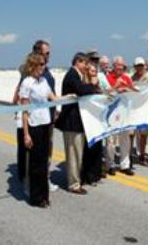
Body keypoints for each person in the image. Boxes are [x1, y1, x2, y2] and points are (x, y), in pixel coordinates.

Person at [12, 40, 58, 192]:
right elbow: (19, 93)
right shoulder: (29, 73)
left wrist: (57, 108)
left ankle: (44, 179)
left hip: (47, 117)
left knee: (46, 152)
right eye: (47, 53)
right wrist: (18, 111)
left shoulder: (45, 73)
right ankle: (28, 182)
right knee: (31, 154)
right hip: (32, 119)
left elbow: (51, 94)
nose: (49, 55)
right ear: (38, 53)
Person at [19, 53, 62, 208]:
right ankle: (36, 198)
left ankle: (44, 195)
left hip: (45, 124)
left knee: (44, 163)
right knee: (36, 164)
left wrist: (71, 97)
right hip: (34, 126)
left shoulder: (43, 81)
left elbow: (53, 97)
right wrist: (26, 134)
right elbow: (24, 111)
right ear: (34, 65)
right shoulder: (27, 83)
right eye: (42, 64)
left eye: (44, 64)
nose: (44, 67)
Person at [55, 53, 97, 194]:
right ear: (78, 62)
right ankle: (73, 184)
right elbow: (82, 90)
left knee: (78, 153)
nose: (86, 66)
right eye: (85, 63)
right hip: (71, 122)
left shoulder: (77, 75)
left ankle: (76, 179)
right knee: (74, 153)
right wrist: (92, 84)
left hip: (77, 121)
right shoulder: (72, 75)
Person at [106, 56, 138, 176]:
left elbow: (135, 92)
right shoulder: (108, 77)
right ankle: (110, 164)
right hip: (111, 114)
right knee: (111, 141)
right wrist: (116, 87)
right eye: (118, 65)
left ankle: (125, 165)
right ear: (114, 65)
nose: (120, 67)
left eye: (122, 65)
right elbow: (105, 94)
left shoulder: (126, 77)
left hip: (124, 114)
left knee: (125, 140)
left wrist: (128, 87)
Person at [81, 62, 104, 186]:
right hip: (88, 120)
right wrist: (92, 84)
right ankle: (88, 176)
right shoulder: (86, 84)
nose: (94, 72)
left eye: (96, 70)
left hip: (97, 119)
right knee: (89, 149)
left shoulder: (97, 85)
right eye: (92, 71)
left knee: (98, 148)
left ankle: (97, 174)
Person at [131, 57, 148, 166]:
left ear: (144, 66)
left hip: (145, 108)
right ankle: (133, 153)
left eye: (141, 65)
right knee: (133, 133)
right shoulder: (132, 78)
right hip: (135, 108)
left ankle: (142, 155)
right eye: (137, 66)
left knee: (144, 134)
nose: (139, 67)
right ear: (135, 67)